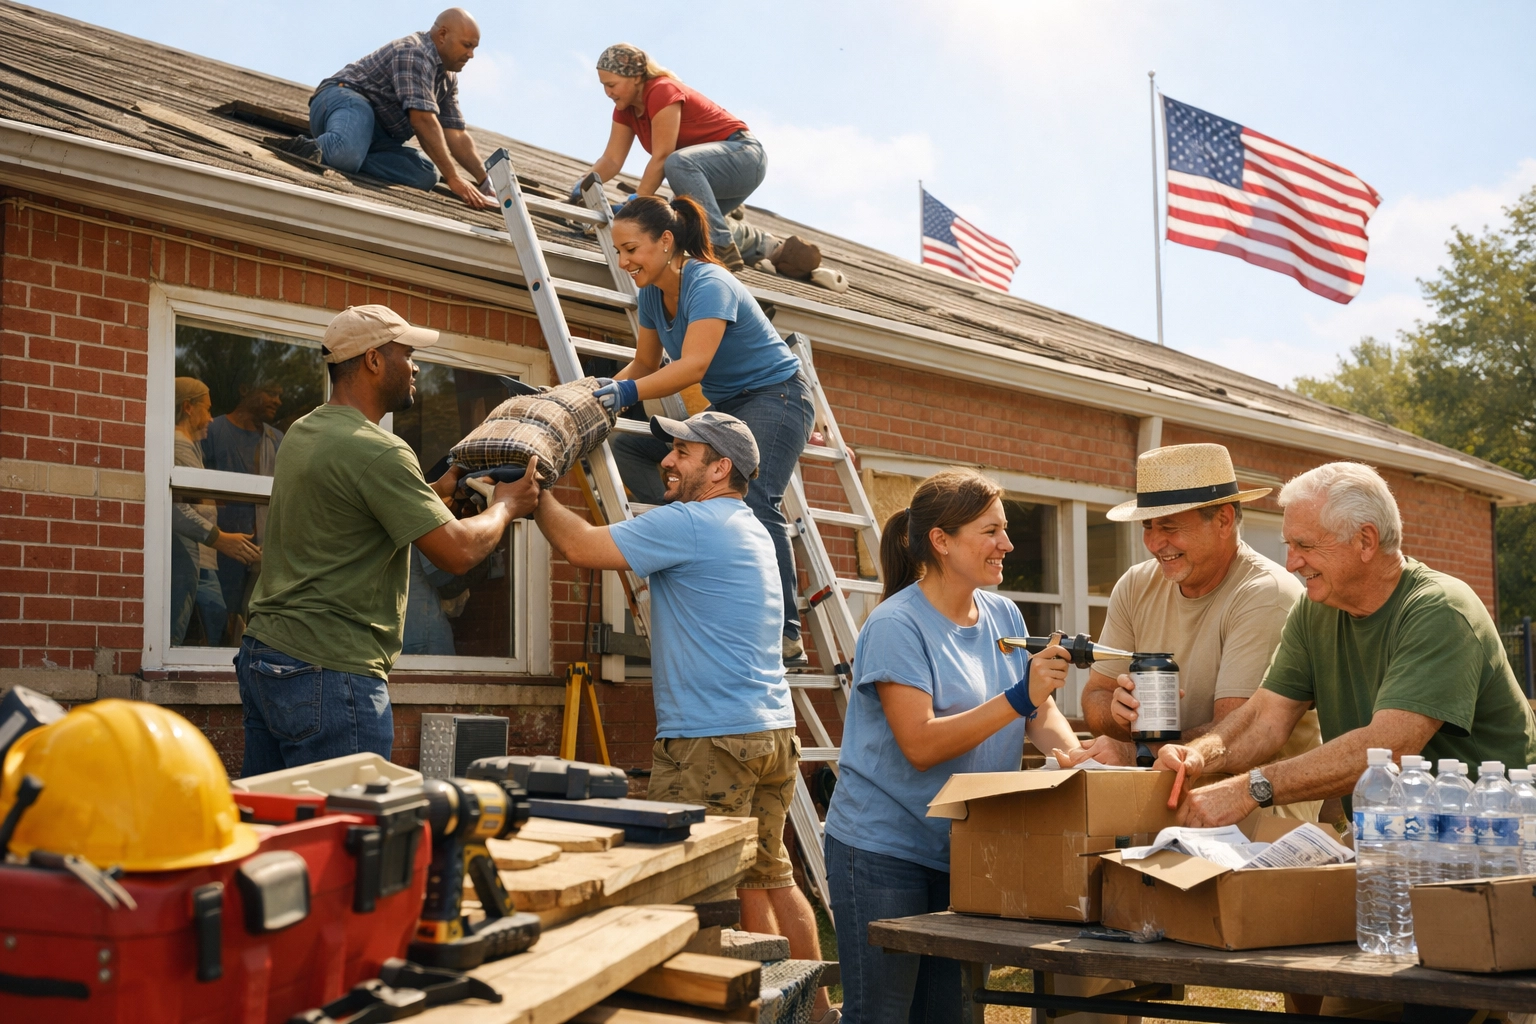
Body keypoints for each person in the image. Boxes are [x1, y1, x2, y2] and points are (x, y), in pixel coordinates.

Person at [530, 410, 832, 1021]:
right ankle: (818, 1013)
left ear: (720, 468)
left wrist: (533, 497)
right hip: (769, 730)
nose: (667, 461)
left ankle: (732, 1013)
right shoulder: (748, 526)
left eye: (684, 453)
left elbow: (579, 546)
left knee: (704, 896)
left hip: (709, 743)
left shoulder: (691, 523)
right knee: (770, 877)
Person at [822, 469, 1081, 1024]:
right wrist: (1019, 696)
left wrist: (1070, 751)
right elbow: (920, 743)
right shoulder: (896, 625)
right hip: (881, 854)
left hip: (965, 851)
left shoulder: (1004, 614)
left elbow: (1040, 712)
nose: (1006, 544)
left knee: (954, 1015)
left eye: (1004, 530)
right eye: (991, 531)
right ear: (941, 540)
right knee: (882, 1015)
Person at [237, 305, 540, 774]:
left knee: (276, 825)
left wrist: (432, 493)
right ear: (374, 360)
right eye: (408, 353)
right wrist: (506, 505)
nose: (416, 365)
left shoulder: (306, 430)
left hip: (266, 660)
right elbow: (459, 552)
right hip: (331, 669)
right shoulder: (379, 450)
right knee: (355, 828)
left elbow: (352, 507)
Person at [1158, 461, 1536, 829]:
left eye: (1304, 545)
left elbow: (1389, 750)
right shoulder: (1315, 608)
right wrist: (1199, 755)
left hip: (1492, 838)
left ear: (1365, 541)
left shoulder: (1440, 608)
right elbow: (1265, 718)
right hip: (1393, 837)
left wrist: (1250, 788)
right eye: (1288, 544)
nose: (1291, 564)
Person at [596, 196, 814, 663]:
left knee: (753, 497)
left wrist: (628, 394)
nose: (623, 261)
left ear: (666, 241)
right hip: (731, 406)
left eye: (631, 249)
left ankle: (786, 633)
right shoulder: (653, 293)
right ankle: (698, 550)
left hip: (777, 396)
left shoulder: (709, 281)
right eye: (618, 252)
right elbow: (644, 364)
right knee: (631, 451)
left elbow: (694, 365)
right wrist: (590, 394)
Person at [1061, 443, 1322, 819]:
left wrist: (1133, 750)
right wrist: (1116, 715)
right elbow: (1096, 698)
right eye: (1148, 526)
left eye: (1169, 527)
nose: (1153, 543)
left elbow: (1238, 733)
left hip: (1254, 822)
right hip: (1157, 801)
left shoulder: (1266, 593)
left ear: (1223, 521)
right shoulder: (1136, 585)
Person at [275, 9, 494, 209]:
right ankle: (317, 148)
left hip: (377, 136)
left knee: (425, 175)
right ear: (443, 35)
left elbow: (456, 134)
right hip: (345, 100)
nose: (471, 55)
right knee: (345, 153)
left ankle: (350, 153)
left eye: (474, 47)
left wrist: (485, 183)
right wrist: (454, 178)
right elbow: (422, 120)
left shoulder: (447, 78)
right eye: (467, 45)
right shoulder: (414, 52)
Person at [576, 43, 764, 271]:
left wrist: (634, 206)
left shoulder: (661, 91)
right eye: (603, 86)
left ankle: (720, 246)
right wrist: (582, 187)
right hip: (708, 176)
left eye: (612, 84)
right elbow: (612, 160)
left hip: (744, 156)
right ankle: (711, 261)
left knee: (677, 162)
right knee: (673, 218)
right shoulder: (624, 110)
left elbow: (663, 156)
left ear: (635, 77)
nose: (608, 92)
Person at [170, 376, 258, 646]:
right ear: (188, 407)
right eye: (206, 409)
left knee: (214, 622)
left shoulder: (189, 446)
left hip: (202, 562)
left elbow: (194, 499)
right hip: (186, 560)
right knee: (175, 631)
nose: (210, 418)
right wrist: (219, 538)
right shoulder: (174, 446)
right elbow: (177, 508)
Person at [203, 377, 285, 633]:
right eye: (270, 391)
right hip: (221, 548)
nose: (277, 400)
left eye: (279, 395)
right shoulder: (213, 431)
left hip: (264, 550)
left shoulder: (276, 440)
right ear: (244, 388)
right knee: (217, 619)